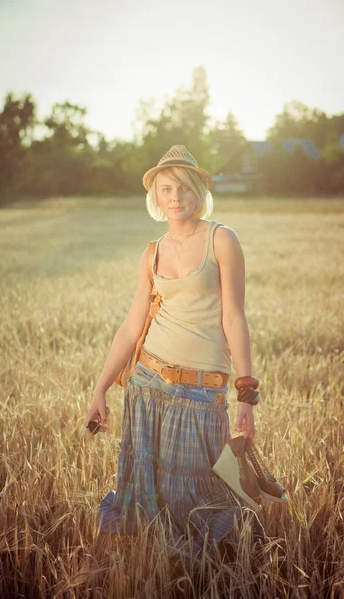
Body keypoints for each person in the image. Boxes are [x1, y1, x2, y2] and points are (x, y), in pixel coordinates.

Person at [85, 144, 266, 569]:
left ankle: (214, 574)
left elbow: (235, 318)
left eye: (184, 187)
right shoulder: (152, 252)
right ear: (156, 197)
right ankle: (161, 574)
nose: (175, 197)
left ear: (199, 191)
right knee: (148, 493)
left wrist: (247, 393)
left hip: (202, 392)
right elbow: (131, 327)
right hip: (148, 384)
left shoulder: (222, 239)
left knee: (199, 497)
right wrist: (100, 389)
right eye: (166, 189)